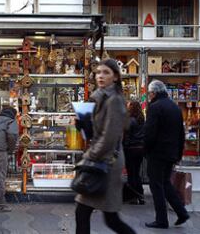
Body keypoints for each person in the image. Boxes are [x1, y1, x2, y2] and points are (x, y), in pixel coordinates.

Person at [74, 59, 136, 234]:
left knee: (106, 217)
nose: (100, 76)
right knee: (95, 215)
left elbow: (109, 136)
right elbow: (93, 131)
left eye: (106, 72)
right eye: (98, 72)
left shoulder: (114, 100)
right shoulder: (98, 97)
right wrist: (81, 123)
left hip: (107, 162)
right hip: (101, 158)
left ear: (115, 77)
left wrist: (89, 157)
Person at [144, 80, 190, 229]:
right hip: (171, 153)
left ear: (154, 93)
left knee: (156, 185)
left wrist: (145, 150)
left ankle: (161, 220)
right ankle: (181, 212)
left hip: (157, 153)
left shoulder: (155, 107)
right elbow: (181, 133)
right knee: (165, 183)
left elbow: (150, 133)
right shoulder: (175, 107)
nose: (149, 96)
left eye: (150, 93)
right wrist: (178, 153)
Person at [123, 100, 145, 205]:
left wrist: (124, 146)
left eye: (128, 106)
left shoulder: (130, 120)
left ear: (131, 108)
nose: (127, 107)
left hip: (131, 149)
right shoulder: (141, 120)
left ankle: (134, 196)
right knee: (136, 172)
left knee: (131, 173)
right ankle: (140, 195)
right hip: (140, 149)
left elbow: (126, 135)